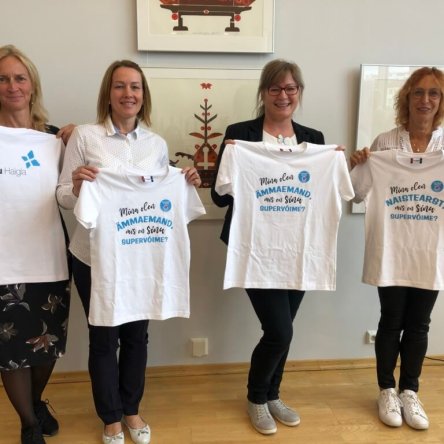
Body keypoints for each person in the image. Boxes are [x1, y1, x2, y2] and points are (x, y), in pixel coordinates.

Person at [56, 59, 201, 444]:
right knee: (104, 339)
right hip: (93, 257)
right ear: (108, 93)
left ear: (143, 94)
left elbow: (159, 194)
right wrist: (76, 185)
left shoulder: (156, 144)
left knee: (138, 335)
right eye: (120, 86)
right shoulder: (85, 137)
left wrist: (184, 180)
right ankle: (111, 418)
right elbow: (63, 197)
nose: (128, 94)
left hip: (141, 256)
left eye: (135, 86)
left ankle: (132, 409)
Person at [211, 59, 326, 435]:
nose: (283, 95)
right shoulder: (240, 134)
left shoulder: (314, 139)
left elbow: (321, 194)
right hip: (255, 248)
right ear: (263, 93)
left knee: (285, 327)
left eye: (291, 88)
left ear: (299, 93)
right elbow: (219, 198)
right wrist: (231, 158)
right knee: (280, 331)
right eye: (275, 88)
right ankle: (257, 397)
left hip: (298, 247)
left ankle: (273, 394)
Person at [350, 66, 444, 430]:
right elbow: (356, 194)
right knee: (391, 321)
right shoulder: (385, 143)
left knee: (419, 324)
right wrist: (358, 164)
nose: (425, 100)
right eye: (418, 92)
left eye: (433, 93)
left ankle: (410, 391)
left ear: (441, 101)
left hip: (431, 251)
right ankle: (387, 390)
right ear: (407, 97)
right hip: (391, 249)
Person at [0, 45, 71, 444]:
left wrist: (80, 139)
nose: (12, 86)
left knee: (47, 346)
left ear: (32, 85)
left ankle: (36, 402)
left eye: (19, 78)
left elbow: (79, 187)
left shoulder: (54, 138)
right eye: (3, 79)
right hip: (3, 260)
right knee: (10, 350)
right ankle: (28, 424)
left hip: (48, 256)